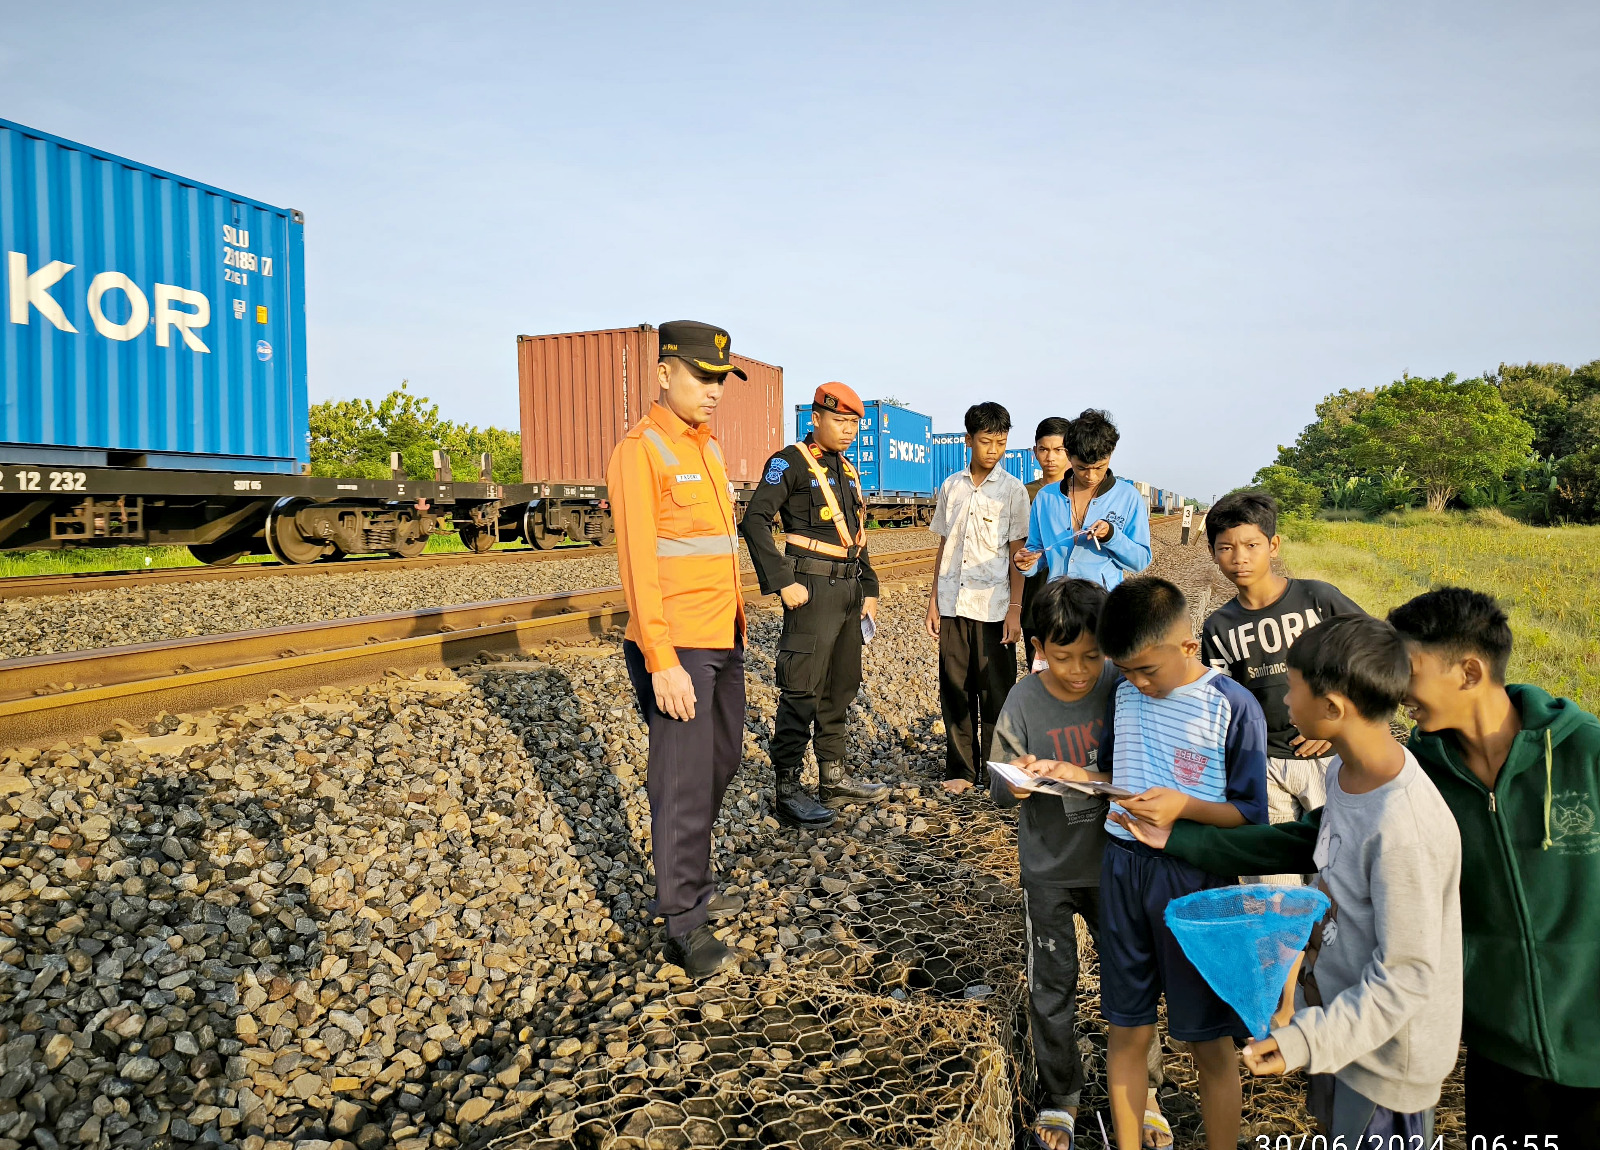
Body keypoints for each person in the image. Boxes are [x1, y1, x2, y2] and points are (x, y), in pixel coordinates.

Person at [1148, 587, 1600, 1143]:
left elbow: (1405, 972)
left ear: (1469, 671)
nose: (1393, 685)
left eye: (1407, 668)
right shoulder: (1420, 767)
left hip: (1589, 1044)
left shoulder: (1584, 755)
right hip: (1497, 1045)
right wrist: (1183, 839)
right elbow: (1314, 843)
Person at [1117, 615, 1464, 1139]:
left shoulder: (1403, 826)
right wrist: (1182, 839)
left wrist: (1303, 1041)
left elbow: (1406, 977)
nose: (1283, 703)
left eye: (1294, 690)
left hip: (1386, 1062)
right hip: (1341, 1033)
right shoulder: (1350, 775)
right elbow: (1302, 840)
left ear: (1333, 709)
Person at [989, 578, 1172, 1150]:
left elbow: (1150, 766)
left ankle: (1147, 1093)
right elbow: (997, 781)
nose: (1078, 670)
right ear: (1038, 646)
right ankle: (1061, 1096)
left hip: (1116, 864)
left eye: (1092, 656)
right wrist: (1016, 787)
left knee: (1131, 976)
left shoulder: (1123, 687)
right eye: (1062, 656)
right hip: (1047, 870)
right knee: (1052, 982)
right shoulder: (1023, 699)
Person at [1095, 576, 1268, 1150]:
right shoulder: (1123, 695)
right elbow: (1118, 777)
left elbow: (1249, 816)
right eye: (1127, 672)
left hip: (1194, 885)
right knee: (1126, 1028)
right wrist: (1076, 778)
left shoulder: (1232, 708)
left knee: (1208, 1041)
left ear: (1188, 646)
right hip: (1121, 867)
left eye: (1148, 670)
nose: (1138, 684)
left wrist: (1184, 807)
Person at [608, 319, 751, 979]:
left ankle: (690, 881)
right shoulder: (641, 451)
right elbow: (640, 563)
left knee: (720, 764)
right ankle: (683, 920)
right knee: (681, 782)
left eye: (721, 379)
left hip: (725, 636)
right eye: (702, 376)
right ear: (664, 372)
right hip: (681, 647)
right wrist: (661, 660)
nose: (714, 390)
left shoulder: (709, 449)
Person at [740, 381, 889, 830]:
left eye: (853, 424)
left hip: (847, 590)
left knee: (840, 684)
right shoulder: (789, 463)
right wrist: (782, 582)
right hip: (810, 588)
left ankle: (832, 777)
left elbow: (855, 536)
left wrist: (871, 586)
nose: (848, 431)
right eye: (840, 421)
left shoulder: (847, 469)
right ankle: (787, 789)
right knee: (801, 686)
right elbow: (755, 521)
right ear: (816, 419)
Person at [1201, 489, 1365, 883]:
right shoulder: (1218, 627)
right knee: (1273, 884)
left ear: (1273, 546)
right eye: (1226, 548)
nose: (1239, 557)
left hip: (1329, 759)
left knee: (1338, 873)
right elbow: (1224, 703)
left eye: (1251, 545)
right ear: (1212, 553)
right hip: (1263, 762)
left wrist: (1342, 726)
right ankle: (1284, 946)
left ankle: (1326, 946)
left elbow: (1373, 655)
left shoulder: (1318, 600)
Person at [925, 402, 1032, 794]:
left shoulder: (1013, 492)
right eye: (986, 441)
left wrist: (1015, 610)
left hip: (994, 607)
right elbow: (944, 546)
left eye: (1001, 442)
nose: (994, 450)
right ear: (968, 440)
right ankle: (961, 771)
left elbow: (1018, 556)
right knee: (955, 689)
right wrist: (934, 598)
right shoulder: (951, 487)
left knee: (997, 691)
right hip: (953, 603)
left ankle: (999, 772)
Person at [1015, 408, 1151, 592]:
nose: (1091, 476)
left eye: (1099, 467)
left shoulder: (1128, 497)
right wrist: (1026, 563)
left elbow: (1140, 561)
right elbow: (1037, 551)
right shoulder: (1046, 497)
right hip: (1056, 606)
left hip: (1102, 608)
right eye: (1081, 468)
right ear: (1069, 455)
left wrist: (1112, 536)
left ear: (1110, 454)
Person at [1021, 416, 1073, 665]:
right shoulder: (1024, 494)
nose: (1050, 457)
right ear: (1035, 452)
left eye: (1058, 450)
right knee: (1039, 674)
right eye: (1044, 449)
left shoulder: (1081, 492)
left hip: (1074, 601)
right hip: (1034, 597)